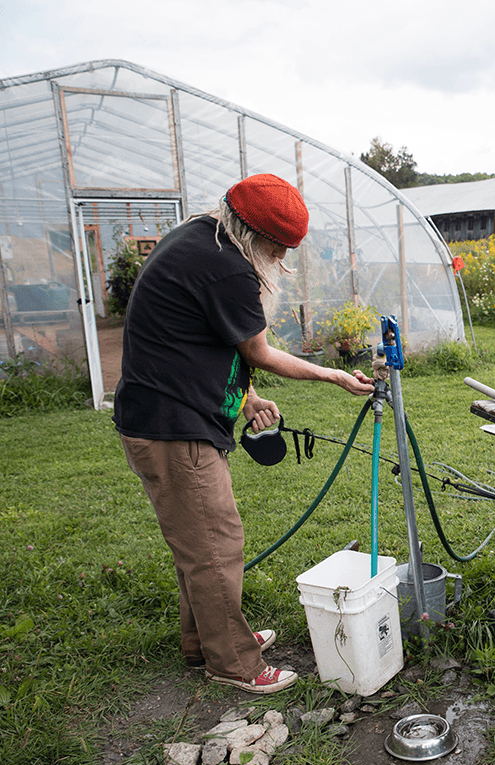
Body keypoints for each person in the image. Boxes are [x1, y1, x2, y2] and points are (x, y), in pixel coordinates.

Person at [113, 173, 375, 694]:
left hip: (165, 414)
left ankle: (204, 641)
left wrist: (246, 397)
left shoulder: (198, 236)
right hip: (174, 427)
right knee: (215, 544)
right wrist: (332, 374)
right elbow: (256, 351)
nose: (281, 257)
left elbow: (200, 338)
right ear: (257, 234)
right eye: (279, 247)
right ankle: (234, 662)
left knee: (196, 541)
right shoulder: (226, 268)